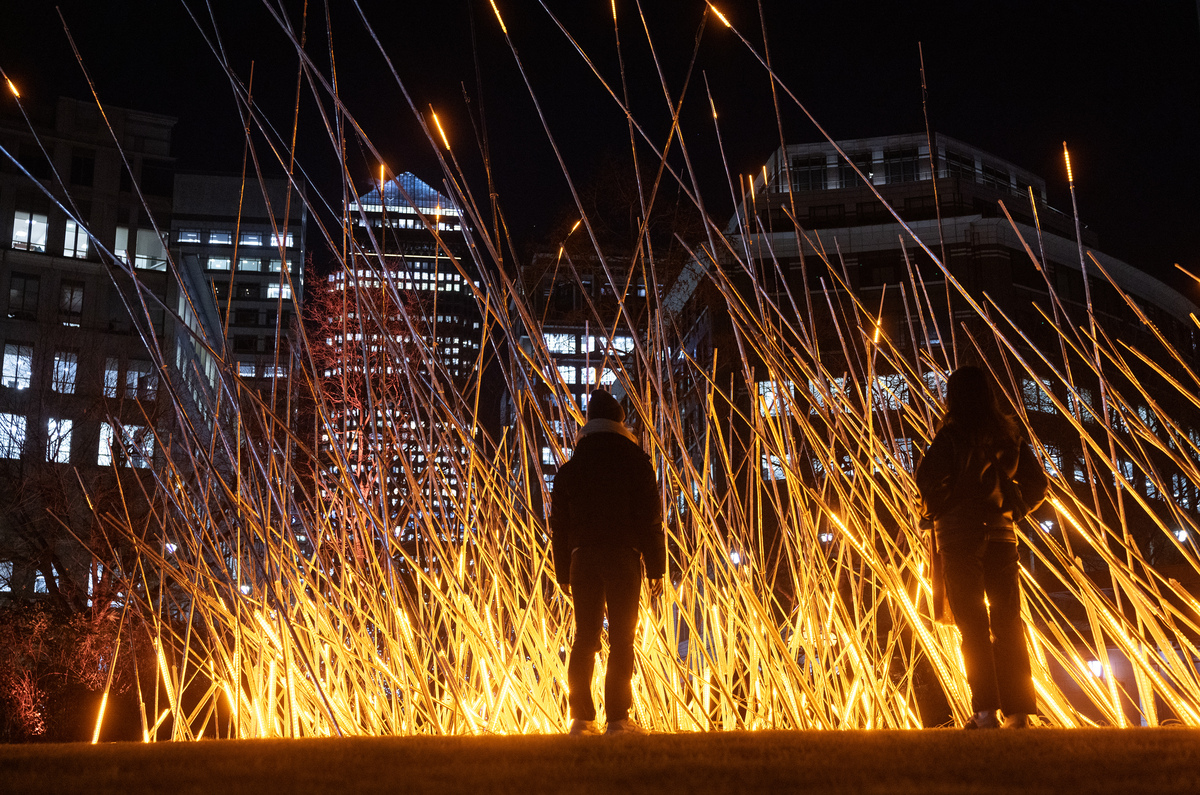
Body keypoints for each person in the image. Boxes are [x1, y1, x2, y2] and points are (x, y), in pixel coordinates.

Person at [916, 366, 1048, 729]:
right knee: (1008, 621)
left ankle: (986, 711)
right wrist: (1013, 510)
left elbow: (928, 484)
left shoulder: (949, 438)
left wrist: (934, 513)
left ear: (952, 398)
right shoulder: (1010, 437)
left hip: (959, 536)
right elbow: (1038, 484)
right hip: (1002, 536)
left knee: (972, 623)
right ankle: (1019, 712)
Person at [551, 389, 665, 736]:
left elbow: (559, 526)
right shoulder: (636, 463)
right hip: (622, 555)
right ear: (620, 423)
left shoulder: (570, 470)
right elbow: (650, 519)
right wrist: (657, 567)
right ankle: (617, 719)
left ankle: (580, 719)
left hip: (582, 557)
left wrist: (562, 571)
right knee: (622, 639)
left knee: (584, 638)